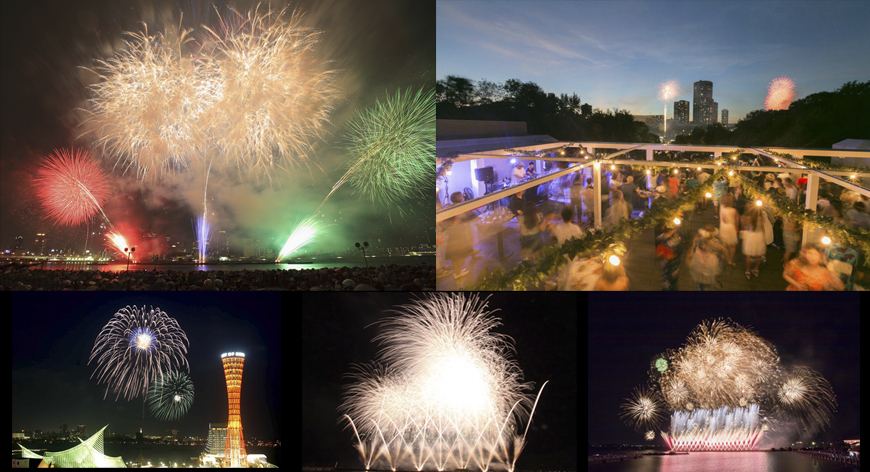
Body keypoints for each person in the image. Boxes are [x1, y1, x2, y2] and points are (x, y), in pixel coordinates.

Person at [689, 225, 726, 291]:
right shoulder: (714, 241)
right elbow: (721, 249)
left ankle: (699, 287)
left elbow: (694, 244)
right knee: (707, 277)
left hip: (698, 258)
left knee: (699, 275)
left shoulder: (699, 238)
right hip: (710, 261)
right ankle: (705, 287)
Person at [740, 204, 767, 279]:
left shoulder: (745, 218)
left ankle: (748, 271)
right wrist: (764, 238)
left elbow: (744, 228)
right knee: (758, 255)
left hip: (750, 237)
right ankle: (756, 269)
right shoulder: (761, 217)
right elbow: (762, 228)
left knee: (748, 255)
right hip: (759, 236)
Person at [718, 193, 738, 267]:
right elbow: (736, 222)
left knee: (724, 243)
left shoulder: (722, 207)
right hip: (730, 228)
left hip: (723, 227)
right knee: (733, 245)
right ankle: (730, 260)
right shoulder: (734, 211)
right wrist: (736, 228)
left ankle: (724, 257)